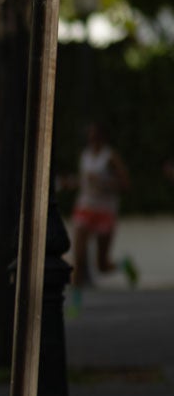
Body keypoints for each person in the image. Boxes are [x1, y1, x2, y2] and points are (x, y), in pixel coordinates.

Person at [65, 121, 138, 312]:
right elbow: (84, 182)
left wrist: (104, 183)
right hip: (85, 208)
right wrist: (72, 183)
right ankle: (75, 303)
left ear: (102, 138)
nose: (91, 139)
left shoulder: (110, 156)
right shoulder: (85, 155)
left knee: (102, 265)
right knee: (79, 257)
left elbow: (126, 184)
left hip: (105, 211)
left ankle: (124, 264)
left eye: (94, 136)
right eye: (89, 136)